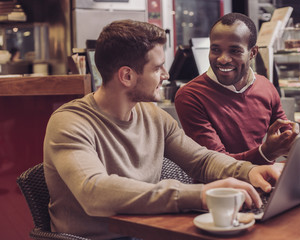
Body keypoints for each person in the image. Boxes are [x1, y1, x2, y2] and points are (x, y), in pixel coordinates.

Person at [43, 20, 280, 240]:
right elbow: (93, 192)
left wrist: (249, 172)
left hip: (148, 231)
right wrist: (199, 195)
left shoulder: (154, 116)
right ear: (127, 76)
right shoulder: (70, 123)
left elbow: (202, 160)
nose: (166, 75)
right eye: (157, 68)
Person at [175, 13, 300, 165]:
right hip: (219, 188)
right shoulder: (190, 96)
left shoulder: (266, 87)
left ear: (253, 53)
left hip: (267, 182)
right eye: (216, 50)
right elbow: (216, 164)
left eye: (235, 51)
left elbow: (287, 138)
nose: (223, 59)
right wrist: (267, 152)